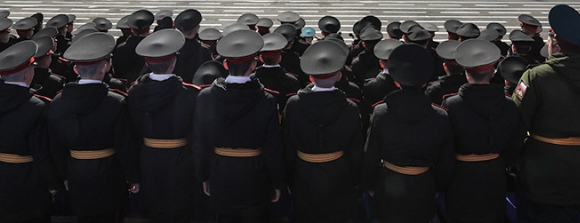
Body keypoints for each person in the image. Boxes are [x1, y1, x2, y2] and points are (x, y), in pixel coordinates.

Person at [512, 4, 580, 223]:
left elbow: (517, 124)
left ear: (556, 44)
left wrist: (511, 161)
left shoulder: (537, 76)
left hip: (540, 167)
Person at [193, 29, 286, 223]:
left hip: (220, 169)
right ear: (253, 65)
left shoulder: (206, 96)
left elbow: (201, 142)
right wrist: (277, 182)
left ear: (225, 64)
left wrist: (203, 175)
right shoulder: (267, 100)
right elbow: (272, 147)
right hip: (255, 171)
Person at [48, 32, 140, 223]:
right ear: (105, 66)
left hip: (75, 172)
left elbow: (55, 146)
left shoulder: (58, 101)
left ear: (75, 69)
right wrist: (133, 177)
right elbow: (125, 144)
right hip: (109, 173)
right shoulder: (115, 102)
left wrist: (64, 175)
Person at [363, 43, 454, 223]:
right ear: (425, 83)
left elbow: (371, 153)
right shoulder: (440, 115)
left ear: (396, 82)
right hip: (424, 184)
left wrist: (369, 184)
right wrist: (439, 186)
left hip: (389, 182)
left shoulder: (381, 112)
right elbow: (446, 160)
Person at [0, 40, 63, 223]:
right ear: (27, 74)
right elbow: (42, 152)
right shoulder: (37, 107)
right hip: (31, 177)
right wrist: (54, 183)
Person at [281, 39, 364, 223]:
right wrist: (355, 180)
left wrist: (288, 177)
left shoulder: (294, 104)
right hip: (338, 172)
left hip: (303, 171)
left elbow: (287, 144)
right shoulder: (349, 107)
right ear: (339, 76)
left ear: (311, 78)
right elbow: (356, 150)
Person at [443, 38, 522, 223]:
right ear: (493, 72)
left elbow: (446, 145)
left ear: (466, 72)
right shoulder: (508, 105)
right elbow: (514, 142)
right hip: (494, 171)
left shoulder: (452, 105)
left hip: (461, 173)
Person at [126, 29, 199, 223]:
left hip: (148, 157)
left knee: (154, 209)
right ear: (173, 62)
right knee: (181, 209)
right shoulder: (190, 93)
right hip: (181, 158)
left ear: (147, 63)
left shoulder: (134, 92)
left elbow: (132, 132)